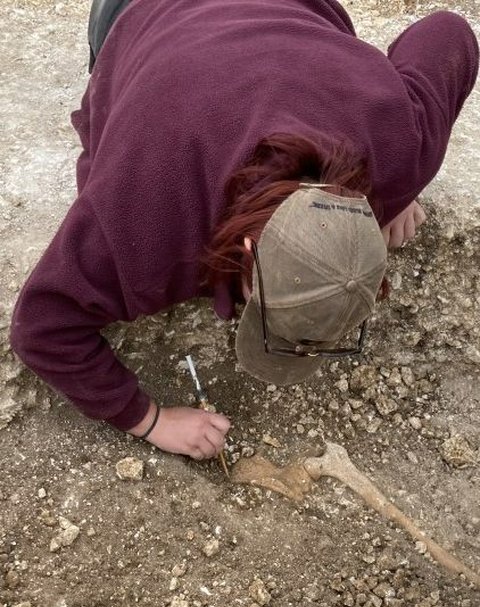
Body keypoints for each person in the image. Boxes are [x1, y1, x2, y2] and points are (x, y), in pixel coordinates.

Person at [10, 0, 478, 461]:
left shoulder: (400, 146)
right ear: (247, 247)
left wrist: (399, 187)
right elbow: (41, 327)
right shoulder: (151, 216)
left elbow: (450, 32)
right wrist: (150, 420)